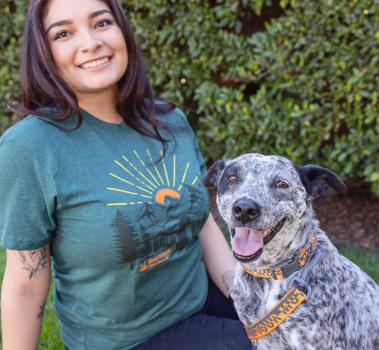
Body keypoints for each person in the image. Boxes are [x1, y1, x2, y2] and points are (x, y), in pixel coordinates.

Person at [0, 0, 252, 349]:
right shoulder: (29, 148)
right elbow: (25, 282)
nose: (90, 42)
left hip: (197, 299)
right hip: (128, 340)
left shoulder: (169, 121)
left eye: (102, 23)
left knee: (318, 322)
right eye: (64, 33)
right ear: (43, 53)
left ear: (122, 31)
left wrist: (245, 297)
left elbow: (202, 222)